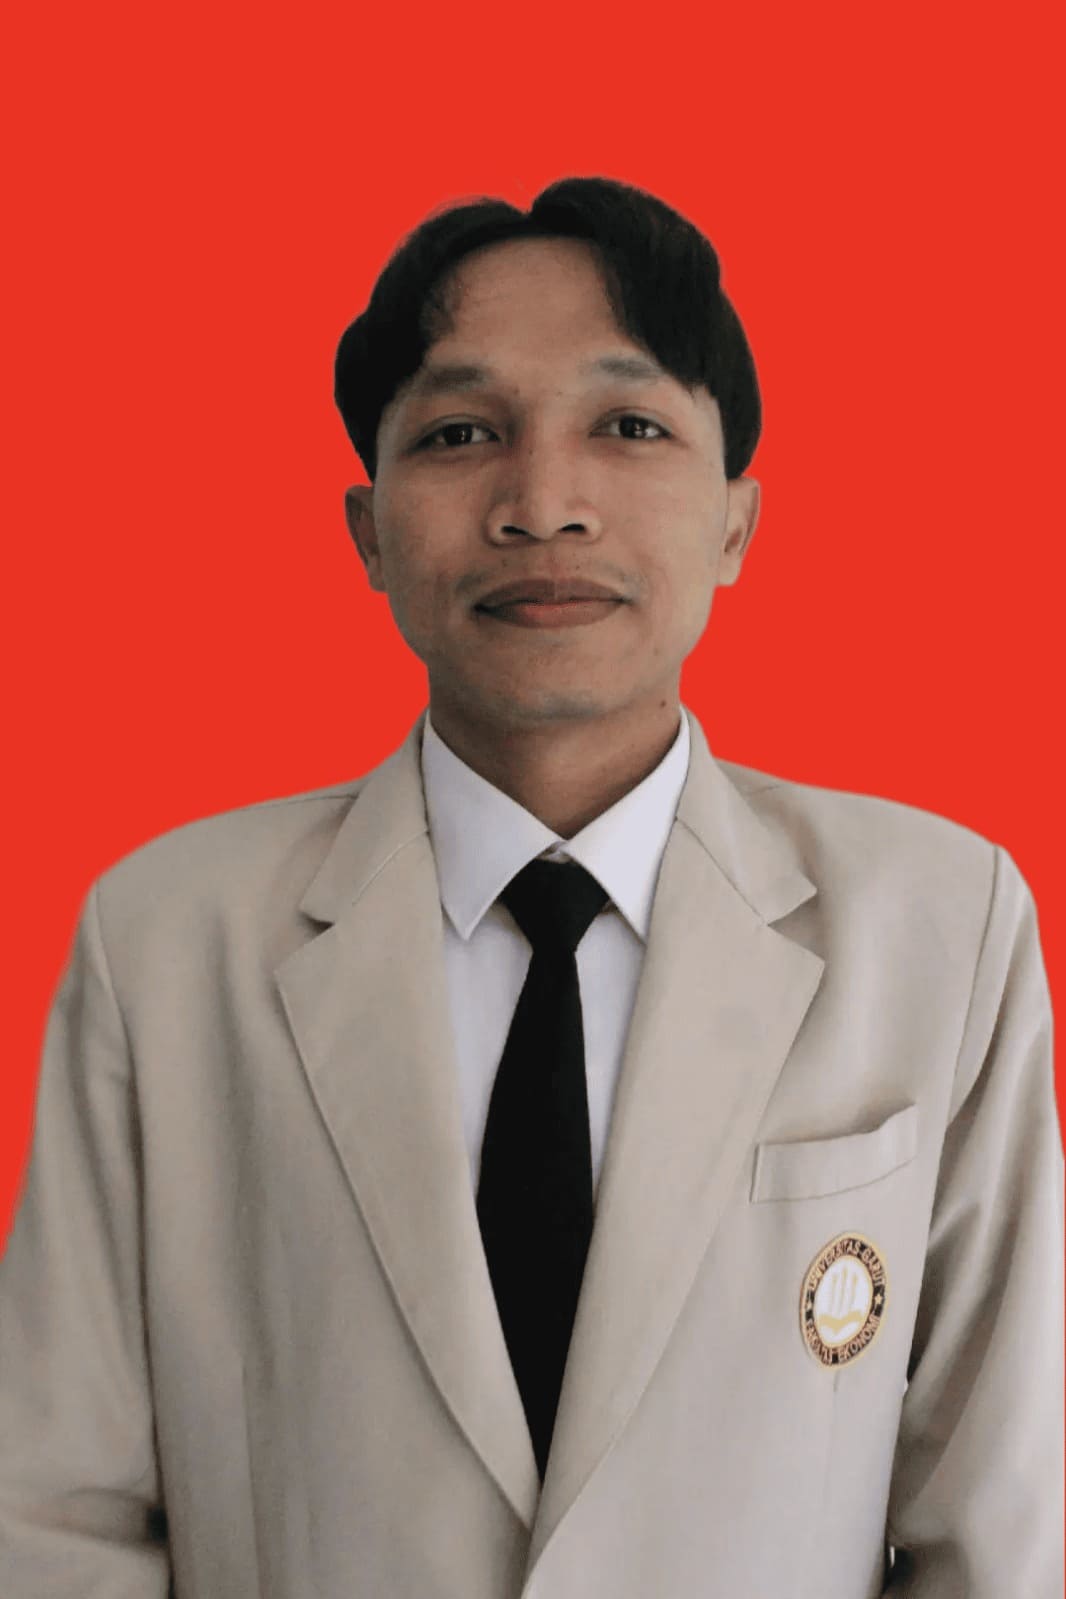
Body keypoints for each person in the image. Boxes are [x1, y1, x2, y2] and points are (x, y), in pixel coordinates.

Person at [0, 176, 1060, 1599]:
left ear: (736, 522)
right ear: (369, 531)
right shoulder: (168, 940)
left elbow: (1000, 1527)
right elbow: (52, 1517)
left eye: (629, 427)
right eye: (460, 433)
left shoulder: (940, 922)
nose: (543, 505)